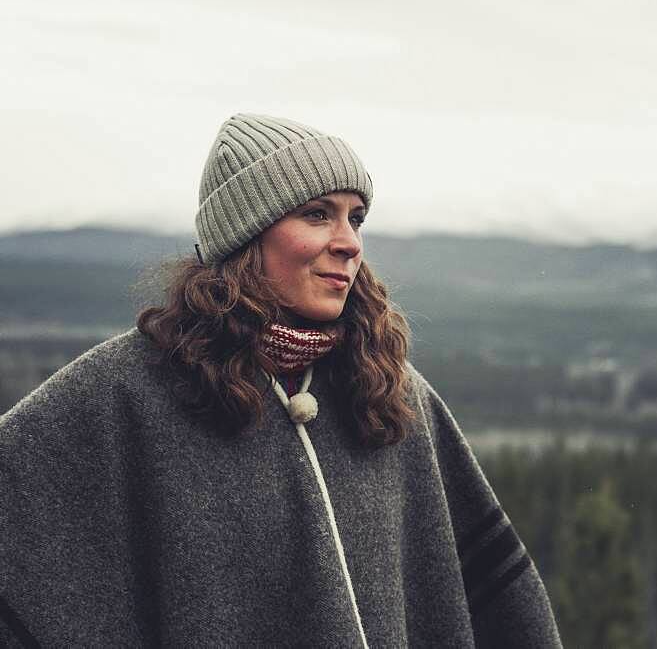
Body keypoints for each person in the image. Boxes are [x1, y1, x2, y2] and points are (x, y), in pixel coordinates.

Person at [0, 113, 563, 647]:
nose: (349, 242)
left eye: (356, 217)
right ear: (246, 236)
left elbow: (495, 599)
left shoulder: (389, 392)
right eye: (318, 213)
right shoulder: (128, 388)